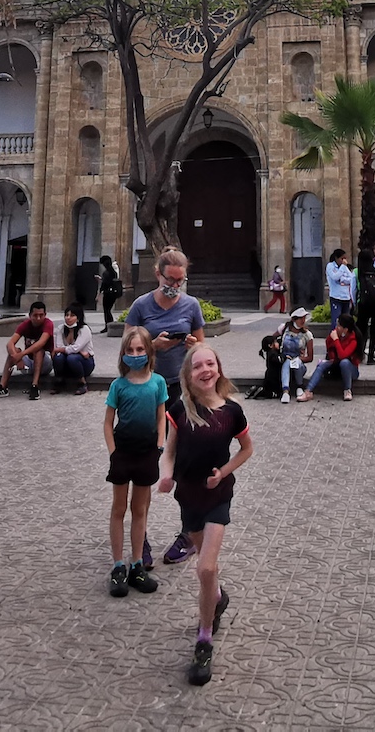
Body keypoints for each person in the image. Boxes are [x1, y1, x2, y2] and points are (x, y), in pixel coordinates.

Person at [158, 344, 252, 686]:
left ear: (219, 368)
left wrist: (223, 472)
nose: (205, 370)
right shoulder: (180, 410)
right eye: (197, 366)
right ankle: (217, 598)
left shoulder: (232, 411)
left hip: (218, 495)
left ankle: (204, 639)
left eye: (210, 363)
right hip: (188, 496)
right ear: (188, 375)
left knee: (206, 567)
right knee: (205, 567)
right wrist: (165, 475)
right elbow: (169, 452)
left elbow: (247, 449)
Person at [123, 248, 207, 566]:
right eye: (170, 279)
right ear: (158, 274)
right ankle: (140, 539)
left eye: (180, 280)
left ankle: (189, 533)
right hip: (146, 390)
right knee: (144, 463)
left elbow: (204, 350)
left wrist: (194, 346)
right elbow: (125, 354)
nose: (175, 285)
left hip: (181, 390)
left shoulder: (191, 305)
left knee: (187, 462)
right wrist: (151, 346)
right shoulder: (141, 306)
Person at [104, 325, 166, 598]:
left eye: (140, 349)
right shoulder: (118, 385)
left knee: (139, 509)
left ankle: (137, 563)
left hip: (147, 452)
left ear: (149, 351)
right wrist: (113, 452)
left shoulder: (158, 382)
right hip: (123, 452)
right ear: (123, 354)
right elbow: (108, 422)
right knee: (119, 508)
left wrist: (160, 445)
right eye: (130, 350)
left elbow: (161, 416)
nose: (135, 354)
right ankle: (118, 565)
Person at [0, 300, 56, 400]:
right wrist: (17, 357)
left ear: (45, 315)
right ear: (30, 315)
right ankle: (2, 386)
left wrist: (21, 354)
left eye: (41, 315)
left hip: (45, 363)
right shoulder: (25, 325)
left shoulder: (48, 324)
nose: (38, 318)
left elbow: (41, 343)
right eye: (35, 315)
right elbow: (10, 343)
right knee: (14, 350)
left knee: (38, 350)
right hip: (28, 363)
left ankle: (35, 386)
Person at [299, 310, 358, 402]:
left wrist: (336, 340)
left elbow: (342, 356)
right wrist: (332, 338)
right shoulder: (336, 334)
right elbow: (329, 347)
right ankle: (308, 391)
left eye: (339, 326)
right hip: (336, 364)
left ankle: (347, 390)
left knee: (344, 362)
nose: (336, 328)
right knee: (322, 365)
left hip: (350, 370)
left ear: (345, 329)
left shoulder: (353, 340)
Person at [51, 303, 96, 393]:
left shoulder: (84, 329)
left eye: (72, 315)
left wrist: (73, 350)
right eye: (67, 315)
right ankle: (59, 381)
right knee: (58, 357)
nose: (68, 318)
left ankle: (82, 383)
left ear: (78, 318)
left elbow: (76, 348)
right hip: (68, 360)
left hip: (84, 362)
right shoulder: (61, 329)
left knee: (72, 358)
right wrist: (79, 351)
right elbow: (59, 346)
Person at [353, 248, 375, 364]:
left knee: (361, 330)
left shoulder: (356, 272)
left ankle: (360, 354)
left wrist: (355, 305)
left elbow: (353, 291)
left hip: (364, 304)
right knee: (374, 331)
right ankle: (371, 357)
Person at [278, 308, 314, 403]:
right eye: (300, 318)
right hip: (285, 361)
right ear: (294, 319)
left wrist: (299, 358)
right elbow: (272, 340)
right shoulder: (284, 329)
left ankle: (299, 386)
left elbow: (310, 357)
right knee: (287, 362)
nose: (303, 321)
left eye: (304, 318)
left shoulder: (307, 335)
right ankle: (285, 391)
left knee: (295, 362)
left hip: (299, 364)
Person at [98, 253, 123, 326]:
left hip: (108, 293)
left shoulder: (106, 273)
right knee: (108, 310)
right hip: (113, 293)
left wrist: (100, 291)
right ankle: (109, 324)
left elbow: (105, 283)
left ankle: (108, 325)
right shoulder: (113, 272)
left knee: (106, 310)